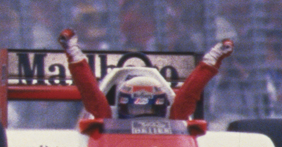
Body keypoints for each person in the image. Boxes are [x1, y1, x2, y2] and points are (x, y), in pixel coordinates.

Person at [57, 28, 233, 122]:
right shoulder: (107, 118)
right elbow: (89, 91)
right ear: (121, 107)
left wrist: (215, 56)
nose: (143, 121)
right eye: (137, 110)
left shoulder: (174, 117)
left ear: (162, 108)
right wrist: (72, 51)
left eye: (148, 111)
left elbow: (190, 92)